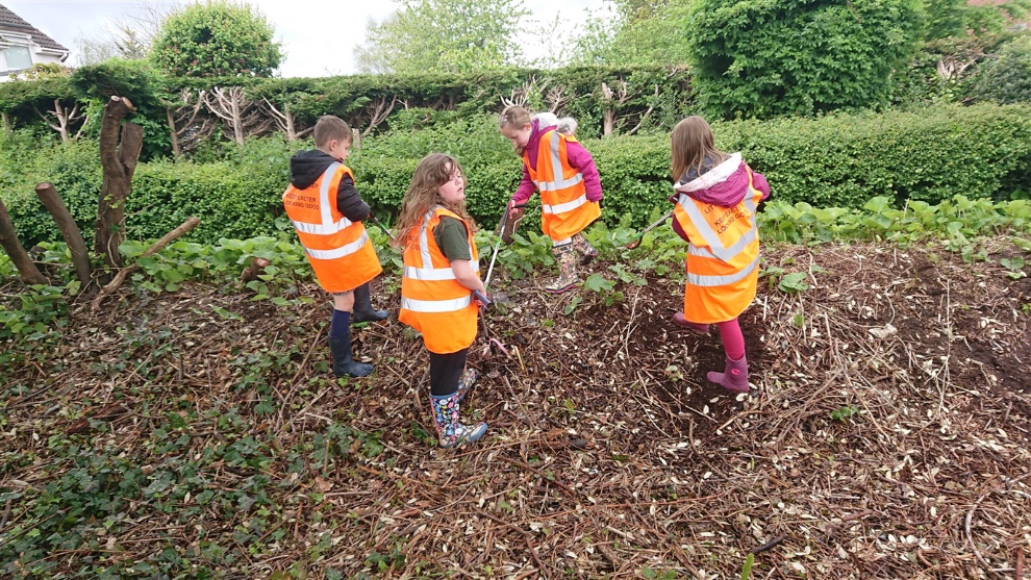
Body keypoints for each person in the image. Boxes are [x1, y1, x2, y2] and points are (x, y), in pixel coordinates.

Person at [668, 116, 770, 393]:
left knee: (727, 317)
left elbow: (682, 230)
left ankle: (737, 375)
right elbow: (764, 190)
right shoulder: (741, 172)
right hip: (744, 256)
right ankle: (698, 318)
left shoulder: (690, 198)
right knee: (699, 283)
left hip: (719, 269)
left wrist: (681, 207)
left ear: (680, 151)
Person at [282, 115, 389, 379]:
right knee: (344, 301)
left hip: (324, 250)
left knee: (359, 273)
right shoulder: (335, 173)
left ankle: (364, 311)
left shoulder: (303, 171)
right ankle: (343, 363)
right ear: (333, 145)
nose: (347, 152)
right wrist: (365, 209)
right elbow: (353, 209)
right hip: (335, 252)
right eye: (346, 147)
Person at [394, 153, 489, 449]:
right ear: (434, 185)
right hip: (445, 311)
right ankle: (448, 430)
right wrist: (481, 288)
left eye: (459, 174)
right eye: (449, 178)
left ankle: (456, 386)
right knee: (446, 366)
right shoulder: (448, 224)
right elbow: (462, 272)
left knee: (451, 356)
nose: (459, 180)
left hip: (429, 308)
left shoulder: (424, 215)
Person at [499, 105, 602, 293]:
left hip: (571, 198)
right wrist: (518, 198)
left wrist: (594, 190)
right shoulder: (529, 149)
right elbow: (528, 179)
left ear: (527, 128)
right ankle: (587, 250)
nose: (514, 142)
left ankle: (568, 277)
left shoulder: (553, 139)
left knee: (559, 234)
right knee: (561, 228)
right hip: (557, 202)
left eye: (514, 137)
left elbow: (585, 160)